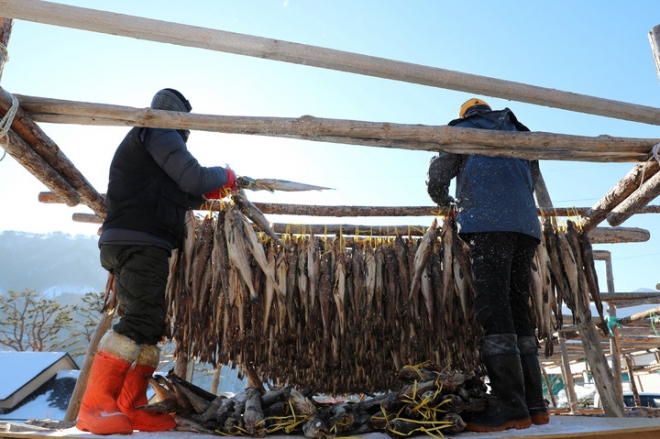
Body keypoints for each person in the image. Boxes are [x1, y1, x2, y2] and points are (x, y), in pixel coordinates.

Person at [76, 88, 238, 435]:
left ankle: (129, 407)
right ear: (179, 119)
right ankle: (94, 408)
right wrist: (225, 175)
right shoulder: (157, 130)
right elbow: (194, 176)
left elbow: (187, 191)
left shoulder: (154, 150)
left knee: (151, 326)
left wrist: (216, 191)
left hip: (138, 240)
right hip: (138, 240)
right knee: (139, 321)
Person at [426, 98, 549, 432]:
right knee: (516, 306)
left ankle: (510, 409)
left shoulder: (463, 129)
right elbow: (532, 176)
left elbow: (439, 175)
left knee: (494, 308)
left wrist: (443, 200)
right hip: (526, 228)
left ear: (466, 114)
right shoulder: (521, 133)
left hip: (488, 223)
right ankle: (534, 406)